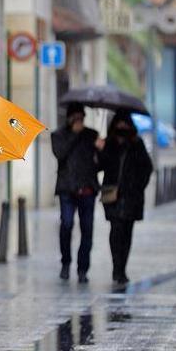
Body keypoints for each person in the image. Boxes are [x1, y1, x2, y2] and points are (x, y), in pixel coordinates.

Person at [99, 111, 153, 286]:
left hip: (131, 197)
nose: (122, 127)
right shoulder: (109, 143)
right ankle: (116, 267)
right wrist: (101, 148)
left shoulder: (137, 144)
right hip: (113, 194)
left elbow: (147, 167)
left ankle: (122, 268)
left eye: (125, 124)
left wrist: (138, 186)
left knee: (127, 233)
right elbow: (99, 165)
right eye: (119, 124)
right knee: (116, 231)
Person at [51, 103, 101, 283]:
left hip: (87, 190)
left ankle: (83, 269)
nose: (79, 121)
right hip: (67, 190)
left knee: (87, 229)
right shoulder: (58, 135)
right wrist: (74, 134)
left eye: (82, 117)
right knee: (66, 224)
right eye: (76, 117)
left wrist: (101, 150)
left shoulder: (91, 135)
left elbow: (99, 164)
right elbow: (60, 154)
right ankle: (66, 263)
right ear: (69, 118)